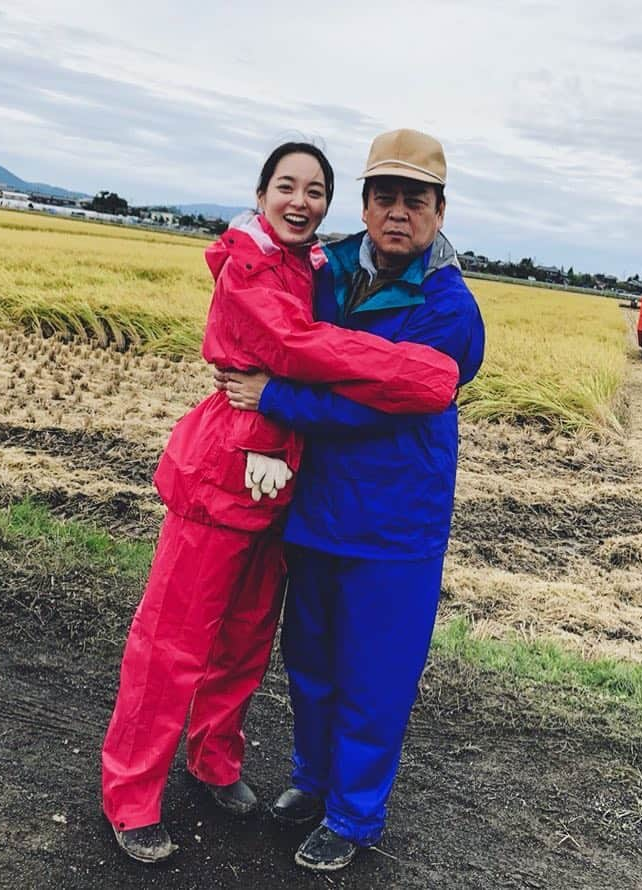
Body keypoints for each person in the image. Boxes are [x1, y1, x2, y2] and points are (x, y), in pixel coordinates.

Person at [100, 141, 460, 865]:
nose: (301, 201)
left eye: (315, 189)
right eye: (286, 186)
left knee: (245, 640)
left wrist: (303, 396)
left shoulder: (317, 268)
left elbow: (320, 362)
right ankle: (131, 797)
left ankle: (213, 761)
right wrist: (415, 368)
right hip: (220, 474)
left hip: (282, 486)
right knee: (171, 644)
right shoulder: (252, 266)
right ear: (260, 194)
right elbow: (294, 346)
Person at [221, 128, 486, 871]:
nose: (398, 212)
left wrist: (279, 398)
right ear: (364, 203)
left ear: (439, 208)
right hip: (316, 507)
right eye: (384, 196)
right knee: (308, 661)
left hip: (397, 523)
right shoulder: (327, 270)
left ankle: (354, 814)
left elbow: (390, 406)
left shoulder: (449, 305)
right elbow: (275, 325)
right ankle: (311, 783)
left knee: (376, 677)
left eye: (414, 199)